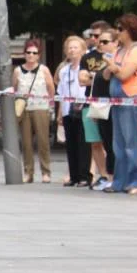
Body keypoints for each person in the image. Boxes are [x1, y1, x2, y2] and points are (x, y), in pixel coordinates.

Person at [103, 13, 137, 193]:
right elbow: (105, 75)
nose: (117, 32)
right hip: (117, 101)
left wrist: (112, 66)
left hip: (131, 99)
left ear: (130, 30)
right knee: (118, 144)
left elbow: (123, 75)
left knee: (132, 142)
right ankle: (119, 181)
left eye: (120, 29)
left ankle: (136, 180)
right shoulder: (118, 51)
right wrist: (111, 67)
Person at [13, 38, 55, 183]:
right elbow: (14, 88)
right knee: (26, 142)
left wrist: (50, 104)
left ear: (38, 55)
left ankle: (46, 172)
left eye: (34, 53)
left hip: (40, 107)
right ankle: (28, 172)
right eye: (28, 52)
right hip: (24, 109)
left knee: (43, 141)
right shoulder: (18, 71)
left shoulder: (44, 70)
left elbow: (51, 88)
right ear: (24, 54)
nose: (31, 55)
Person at [80, 26, 115, 191]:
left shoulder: (116, 57)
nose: (97, 41)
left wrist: (93, 76)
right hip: (94, 103)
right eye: (93, 36)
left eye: (103, 39)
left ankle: (114, 175)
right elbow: (82, 80)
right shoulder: (87, 57)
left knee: (112, 142)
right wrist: (96, 77)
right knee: (97, 141)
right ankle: (103, 175)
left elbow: (111, 76)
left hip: (113, 104)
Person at [56, 35, 91, 187]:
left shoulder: (86, 69)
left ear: (83, 50)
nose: (72, 50)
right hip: (67, 110)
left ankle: (84, 176)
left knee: (83, 143)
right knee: (70, 144)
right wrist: (60, 114)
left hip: (83, 108)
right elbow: (61, 93)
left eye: (75, 47)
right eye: (70, 48)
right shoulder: (64, 71)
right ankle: (73, 175)